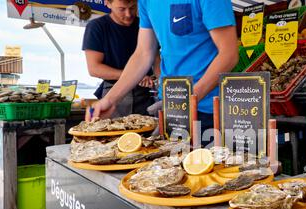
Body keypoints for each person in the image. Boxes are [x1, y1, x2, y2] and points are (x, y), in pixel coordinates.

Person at [87, 0, 239, 140]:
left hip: (208, 110)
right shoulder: (146, 2)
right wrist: (110, 99)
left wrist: (187, 100)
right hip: (169, 106)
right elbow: (143, 54)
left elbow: (229, 54)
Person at [82, 0, 157, 117]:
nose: (128, 14)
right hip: (113, 91)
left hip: (145, 96)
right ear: (107, 3)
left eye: (132, 8)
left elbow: (156, 60)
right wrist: (136, 77)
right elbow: (94, 69)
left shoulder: (146, 26)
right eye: (122, 9)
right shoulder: (96, 27)